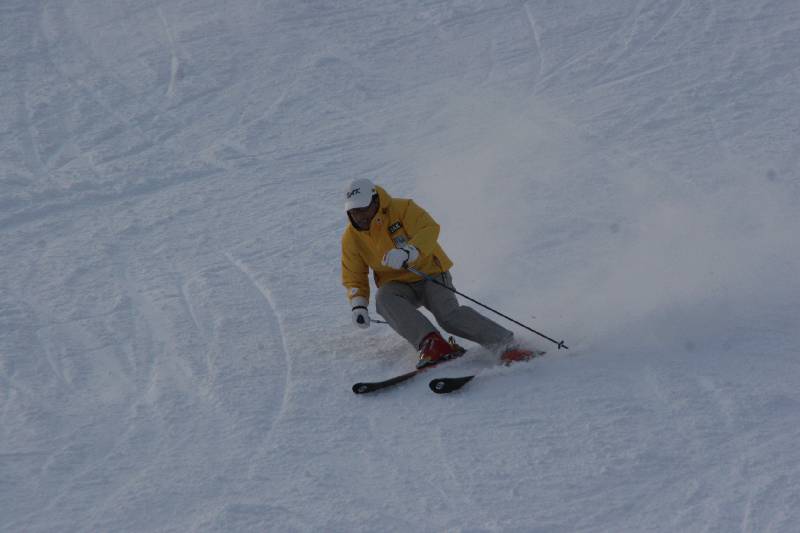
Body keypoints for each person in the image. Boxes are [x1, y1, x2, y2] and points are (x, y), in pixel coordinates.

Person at [341, 178, 533, 369]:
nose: (360, 216)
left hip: (430, 274)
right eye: (354, 212)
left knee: (448, 316)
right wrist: (358, 304)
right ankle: (433, 345)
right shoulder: (351, 238)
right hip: (398, 285)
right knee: (384, 299)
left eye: (363, 209)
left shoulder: (402, 208)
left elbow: (429, 229)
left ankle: (506, 344)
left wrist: (408, 252)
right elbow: (353, 275)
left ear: (375, 200)